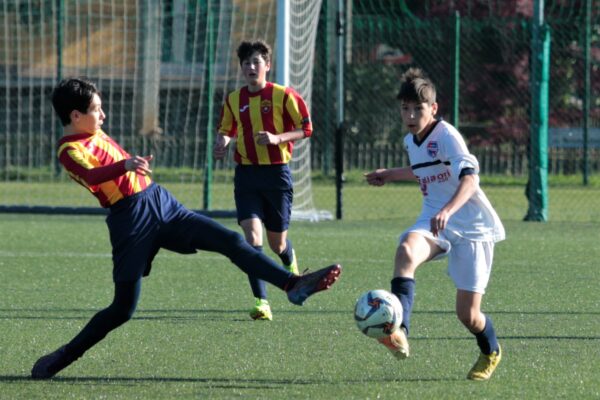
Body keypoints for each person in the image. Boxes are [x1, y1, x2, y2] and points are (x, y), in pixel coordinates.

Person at [30, 78, 342, 380]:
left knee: (231, 240)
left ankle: (292, 285)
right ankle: (65, 355)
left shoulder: (91, 129)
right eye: (97, 109)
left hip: (160, 202)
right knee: (123, 309)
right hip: (131, 220)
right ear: (75, 116)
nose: (103, 115)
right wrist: (124, 165)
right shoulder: (68, 150)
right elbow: (92, 174)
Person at [364, 68, 505, 381]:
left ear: (434, 109)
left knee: (467, 315)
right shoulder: (411, 141)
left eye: (418, 108)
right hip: (433, 217)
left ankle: (491, 348)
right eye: (405, 109)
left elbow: (470, 179)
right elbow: (423, 170)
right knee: (405, 251)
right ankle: (399, 329)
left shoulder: (447, 136)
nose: (411, 115)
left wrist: (449, 210)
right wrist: (390, 174)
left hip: (470, 226)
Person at [214, 40, 312, 321]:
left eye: (257, 62)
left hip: (276, 175)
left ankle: (289, 263)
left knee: (276, 244)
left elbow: (306, 128)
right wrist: (221, 143)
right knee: (252, 239)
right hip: (246, 175)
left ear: (267, 66)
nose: (251, 67)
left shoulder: (284, 96)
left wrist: (277, 138)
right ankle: (262, 302)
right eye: (246, 63)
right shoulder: (234, 99)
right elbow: (226, 131)